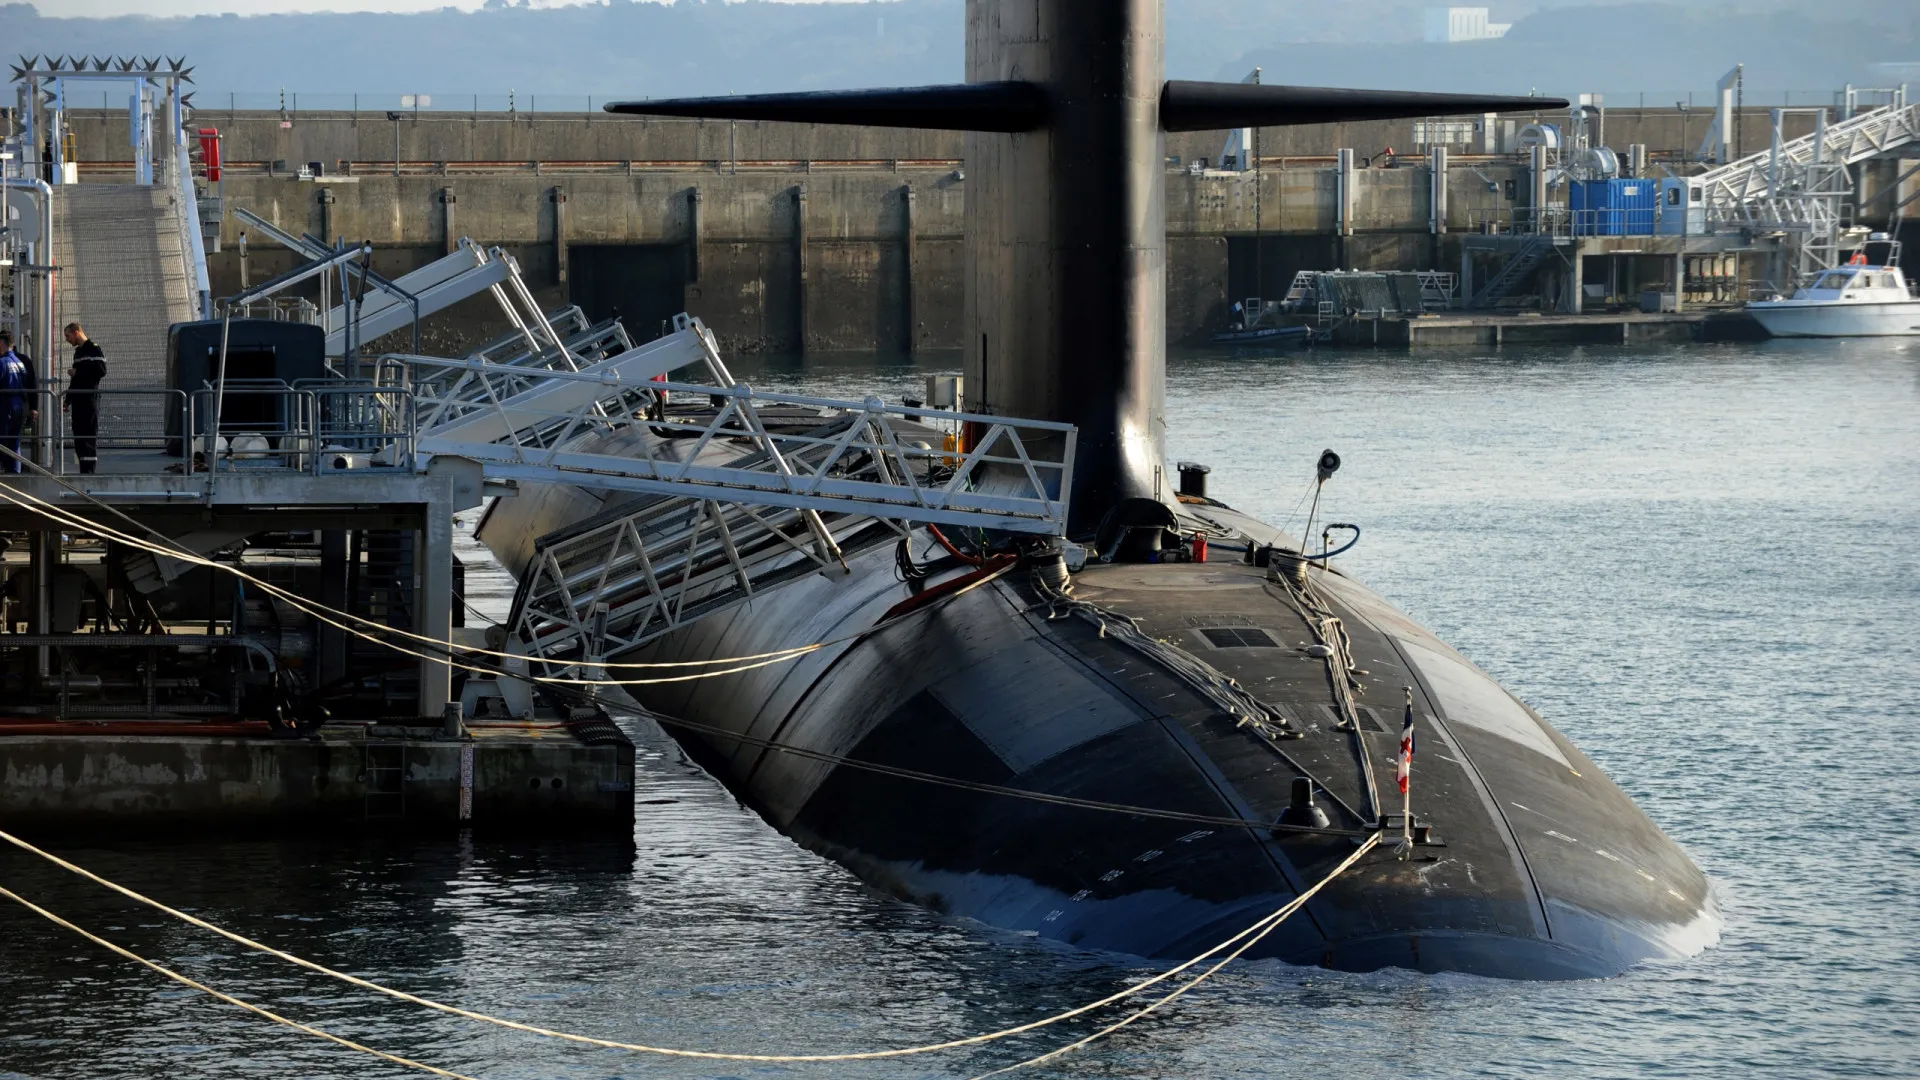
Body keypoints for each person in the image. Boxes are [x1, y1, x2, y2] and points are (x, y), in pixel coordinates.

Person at [64, 323, 106, 474]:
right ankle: (83, 470)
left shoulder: (93, 349)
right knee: (79, 436)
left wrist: (78, 372)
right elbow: (75, 381)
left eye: (68, 336)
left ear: (76, 333)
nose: (67, 340)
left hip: (89, 399)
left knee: (88, 436)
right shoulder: (79, 352)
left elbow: (101, 371)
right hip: (78, 400)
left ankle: (89, 472)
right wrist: (68, 399)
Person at [0, 330, 37, 473]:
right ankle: (15, 471)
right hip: (19, 405)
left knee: (2, 439)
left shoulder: (2, 362)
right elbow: (30, 383)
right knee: (15, 441)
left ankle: (5, 471)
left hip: (5, 404)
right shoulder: (20, 362)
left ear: (1, 343)